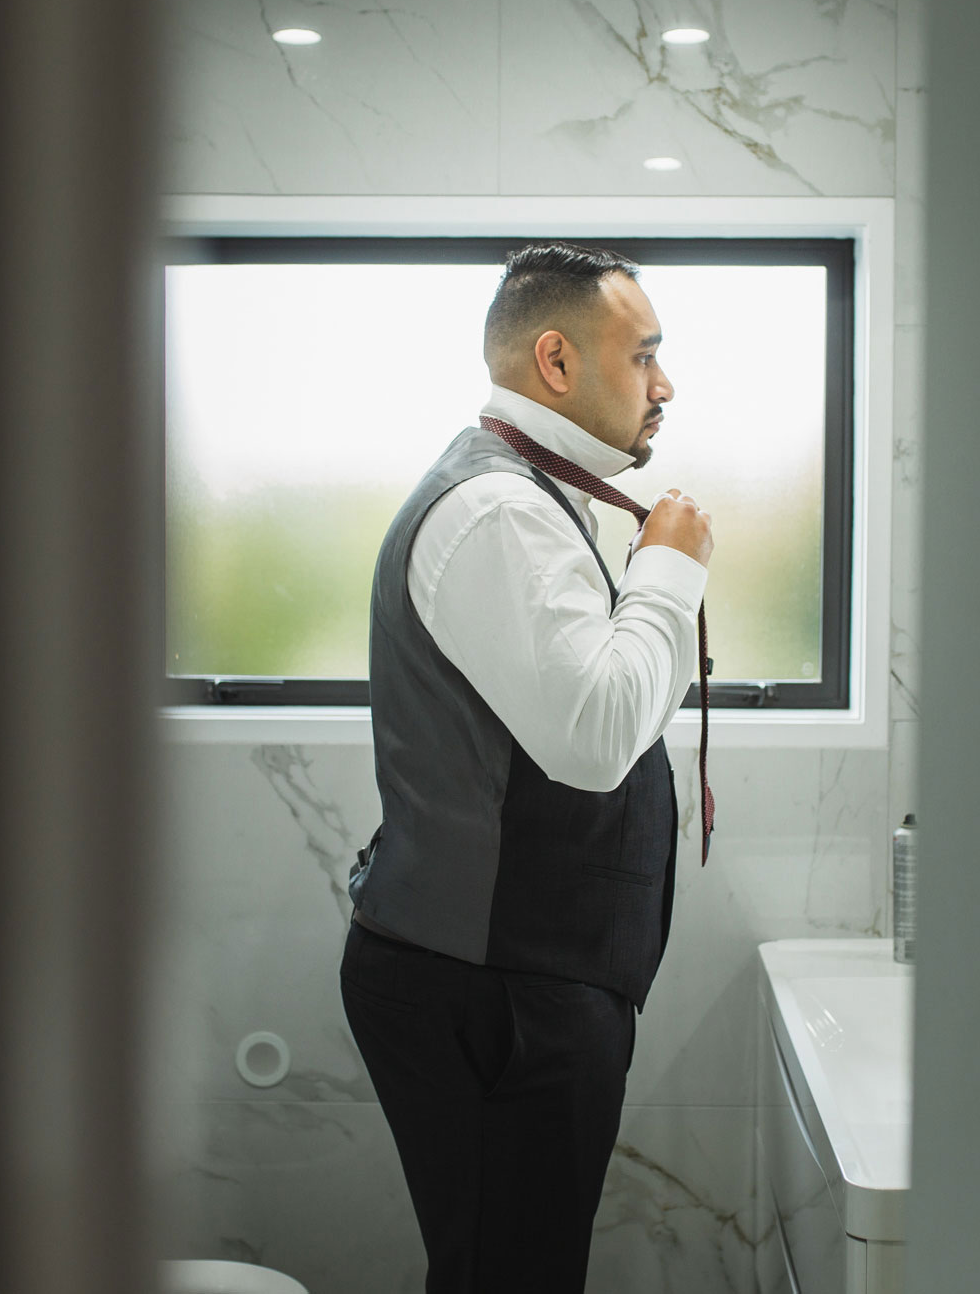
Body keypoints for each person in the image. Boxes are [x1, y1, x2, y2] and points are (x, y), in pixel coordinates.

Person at [340, 241, 714, 1292]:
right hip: (492, 986)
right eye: (642, 356)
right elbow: (596, 737)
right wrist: (670, 573)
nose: (664, 385)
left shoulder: (529, 499)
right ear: (555, 362)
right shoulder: (497, 510)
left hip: (516, 973)